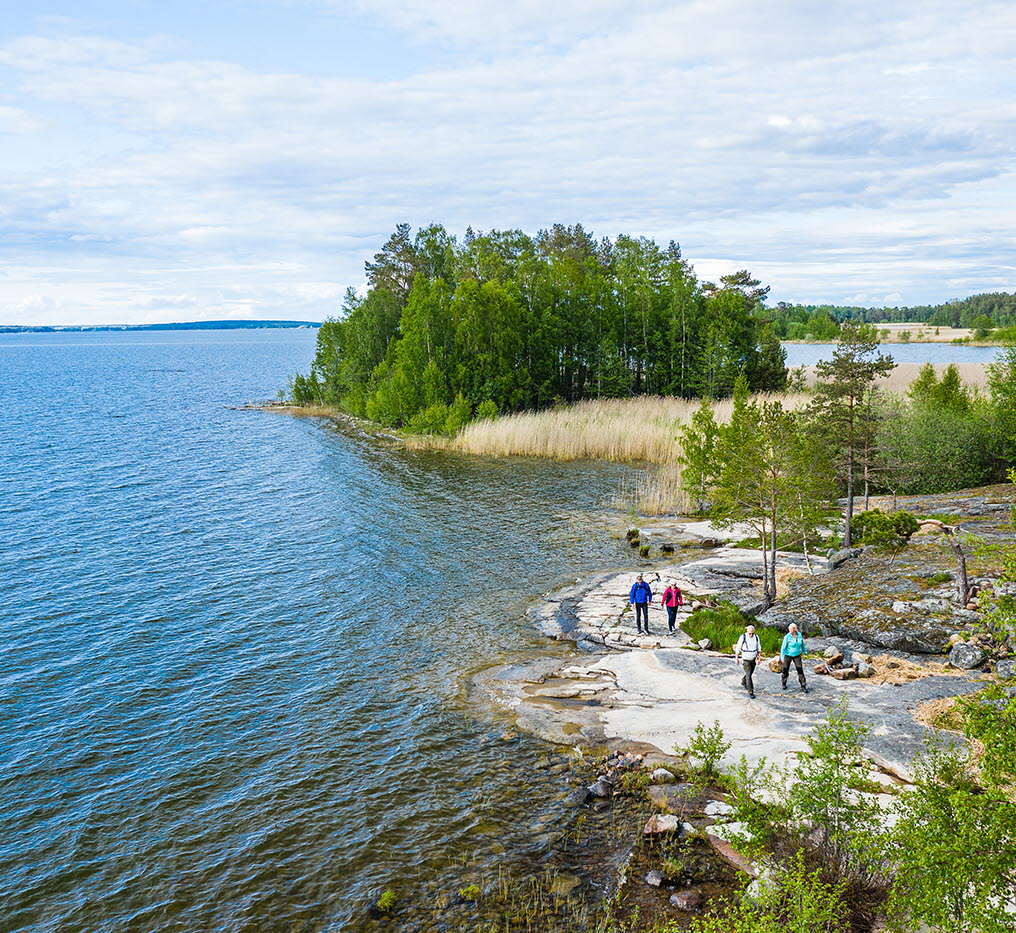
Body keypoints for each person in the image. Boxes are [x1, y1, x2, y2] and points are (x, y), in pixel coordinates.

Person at [734, 623, 762, 698]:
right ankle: (751, 691)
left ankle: (744, 681)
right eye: (749, 633)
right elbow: (738, 648)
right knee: (749, 675)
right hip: (746, 658)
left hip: (753, 658)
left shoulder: (756, 637)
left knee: (749, 673)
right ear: (747, 631)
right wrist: (736, 658)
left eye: (752, 633)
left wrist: (759, 658)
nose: (751, 635)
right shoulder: (743, 637)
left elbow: (759, 647)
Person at [780, 623, 808, 693]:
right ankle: (784, 682)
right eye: (789, 629)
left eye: (791, 629)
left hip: (797, 655)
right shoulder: (787, 637)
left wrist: (804, 651)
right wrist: (782, 657)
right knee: (785, 669)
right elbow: (783, 648)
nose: (789, 630)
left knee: (800, 670)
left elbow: (802, 644)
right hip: (788, 655)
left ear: (794, 629)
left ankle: (803, 685)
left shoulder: (799, 635)